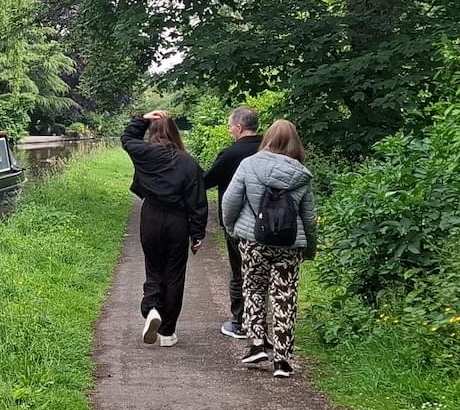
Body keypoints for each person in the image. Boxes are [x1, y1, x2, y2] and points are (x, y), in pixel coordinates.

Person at [220, 119, 317, 379]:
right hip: (288, 244)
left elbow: (230, 202)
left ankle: (257, 344)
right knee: (285, 296)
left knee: (252, 287)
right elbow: (309, 217)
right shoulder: (301, 174)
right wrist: (309, 248)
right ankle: (283, 361)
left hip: (253, 241)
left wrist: (232, 229)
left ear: (268, 139)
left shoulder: (249, 165)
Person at [121, 110, 209, 347]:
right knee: (174, 274)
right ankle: (168, 333)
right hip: (177, 221)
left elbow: (127, 139)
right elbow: (197, 200)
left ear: (152, 131)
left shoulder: (144, 154)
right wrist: (197, 233)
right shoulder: (188, 162)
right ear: (175, 132)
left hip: (150, 217)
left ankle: (151, 309)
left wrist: (142, 118)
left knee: (153, 268)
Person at [203, 107, 262, 339]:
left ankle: (239, 321)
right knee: (261, 272)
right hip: (270, 223)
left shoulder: (231, 153)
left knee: (239, 272)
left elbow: (207, 181)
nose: (229, 131)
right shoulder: (270, 148)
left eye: (230, 126)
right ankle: (260, 321)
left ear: (238, 127)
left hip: (237, 221)